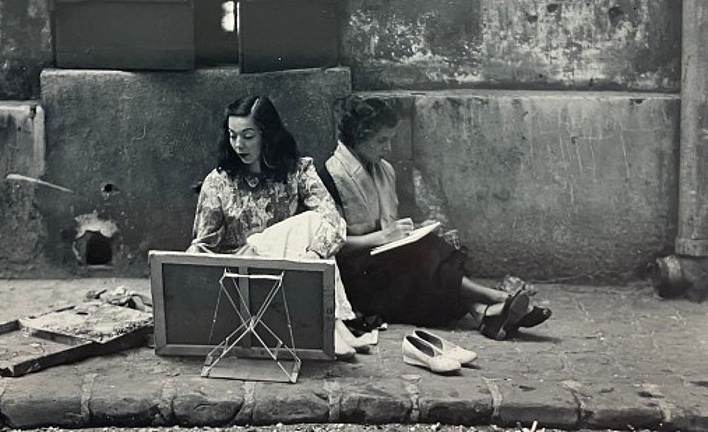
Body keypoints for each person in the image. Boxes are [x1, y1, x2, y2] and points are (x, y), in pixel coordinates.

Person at [323, 95, 552, 341]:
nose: (387, 148)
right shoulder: (331, 174)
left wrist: (413, 230)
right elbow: (330, 243)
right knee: (423, 257)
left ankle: (485, 314)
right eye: (381, 141)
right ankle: (495, 299)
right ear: (359, 135)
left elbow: (387, 225)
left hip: (384, 264)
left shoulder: (383, 170)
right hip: (357, 278)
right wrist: (380, 237)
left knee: (429, 250)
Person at [188, 94, 369, 358]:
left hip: (287, 276)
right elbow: (202, 247)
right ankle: (330, 325)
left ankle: (334, 325)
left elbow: (333, 222)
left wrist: (314, 256)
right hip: (241, 280)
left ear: (267, 134)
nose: (239, 145)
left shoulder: (297, 171)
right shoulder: (218, 182)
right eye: (233, 135)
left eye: (248, 136)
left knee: (316, 223)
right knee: (307, 223)